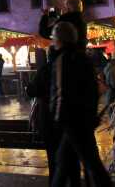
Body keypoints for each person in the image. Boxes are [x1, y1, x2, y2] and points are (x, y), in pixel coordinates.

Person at [50, 22, 112, 187]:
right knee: (66, 162)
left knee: (90, 163)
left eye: (54, 37)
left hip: (71, 120)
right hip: (83, 118)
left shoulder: (63, 59)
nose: (52, 40)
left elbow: (62, 92)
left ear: (60, 38)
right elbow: (93, 89)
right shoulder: (83, 58)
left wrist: (58, 117)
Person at [26, 48, 80, 185]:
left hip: (49, 122)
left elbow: (32, 90)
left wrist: (29, 86)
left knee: (53, 158)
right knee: (72, 160)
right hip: (70, 120)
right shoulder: (73, 68)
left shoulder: (44, 70)